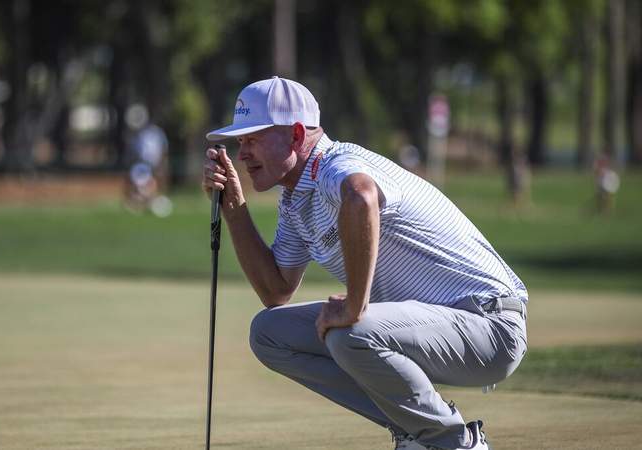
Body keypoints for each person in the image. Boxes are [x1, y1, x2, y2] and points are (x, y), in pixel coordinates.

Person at [201, 77, 528, 450]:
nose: (243, 154)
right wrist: (234, 209)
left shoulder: (336, 165)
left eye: (254, 139)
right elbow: (276, 291)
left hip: (490, 324)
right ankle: (417, 431)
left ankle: (452, 441)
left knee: (351, 332)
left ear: (295, 135)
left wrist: (355, 306)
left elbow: (361, 196)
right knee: (270, 333)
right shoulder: (295, 200)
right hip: (438, 324)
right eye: (241, 142)